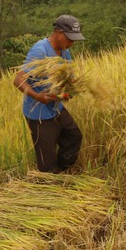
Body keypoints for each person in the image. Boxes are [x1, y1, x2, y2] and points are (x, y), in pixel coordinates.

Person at [14, 14, 85, 173]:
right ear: (59, 33)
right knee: (47, 165)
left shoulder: (64, 51)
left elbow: (67, 77)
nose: (72, 43)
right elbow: (18, 80)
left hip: (56, 107)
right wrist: (38, 96)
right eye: (70, 38)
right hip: (39, 115)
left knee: (74, 137)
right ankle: (50, 180)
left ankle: (62, 171)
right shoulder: (40, 51)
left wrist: (71, 89)